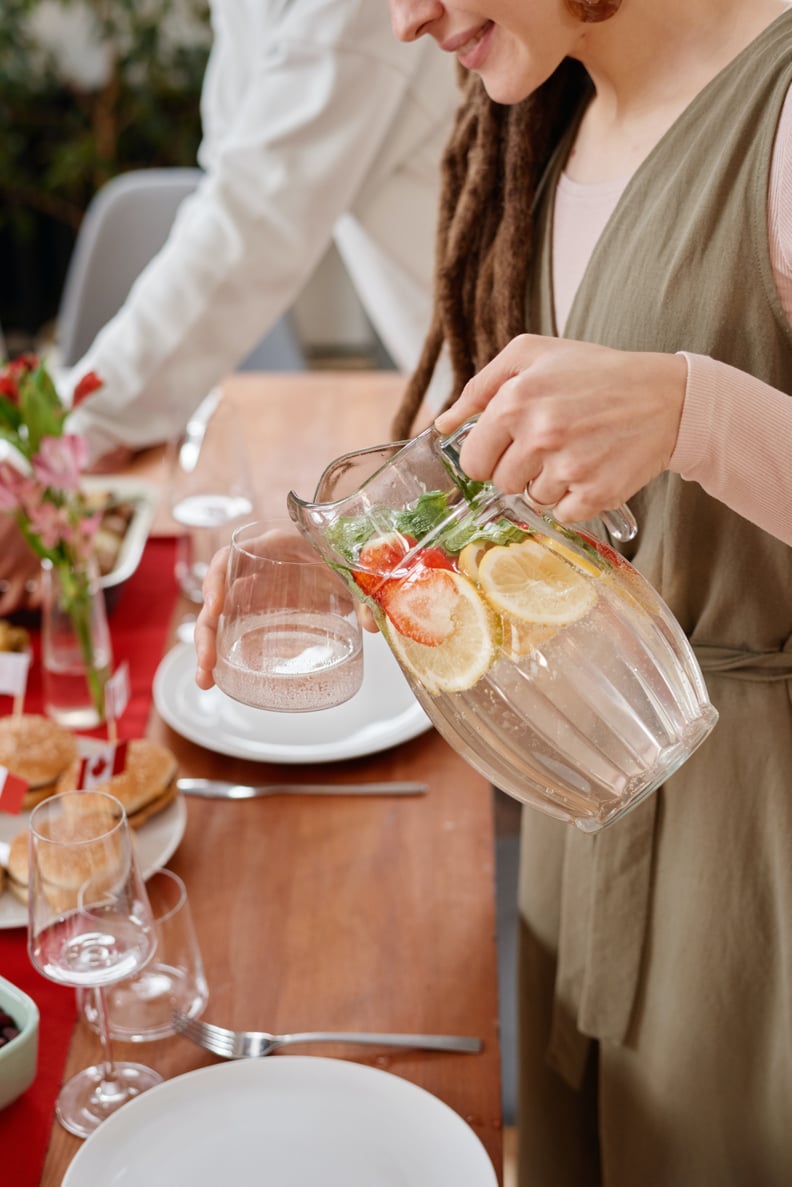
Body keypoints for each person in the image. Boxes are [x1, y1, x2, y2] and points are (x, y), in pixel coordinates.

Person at [193, 0, 792, 1183]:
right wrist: (354, 546)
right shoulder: (562, 115)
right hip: (590, 798)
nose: (409, 19)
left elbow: (669, 409)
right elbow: (520, 449)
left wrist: (692, 407)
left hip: (756, 863)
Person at [0, 0, 459, 614]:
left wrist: (61, 435)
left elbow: (250, 224)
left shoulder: (348, 14)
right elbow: (234, 174)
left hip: (508, 371)